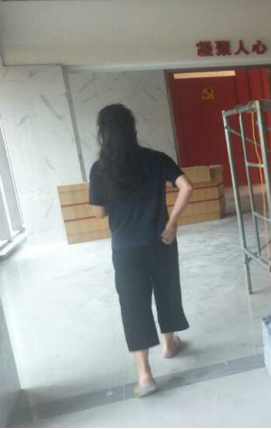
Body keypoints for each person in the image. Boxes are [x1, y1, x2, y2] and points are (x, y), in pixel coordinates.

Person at [89, 104, 194, 398]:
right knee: (167, 291)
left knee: (133, 305)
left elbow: (99, 213)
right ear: (133, 129)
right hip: (162, 241)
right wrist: (172, 223)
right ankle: (169, 344)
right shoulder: (156, 158)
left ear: (103, 134)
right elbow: (187, 187)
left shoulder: (100, 169)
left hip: (126, 249)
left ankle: (145, 375)